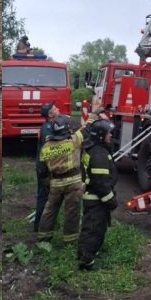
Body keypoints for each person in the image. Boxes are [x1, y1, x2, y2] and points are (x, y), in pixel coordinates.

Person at [37, 112, 96, 243]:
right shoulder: (73, 140)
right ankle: (70, 240)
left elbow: (42, 170)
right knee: (72, 212)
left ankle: (43, 237)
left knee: (50, 210)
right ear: (66, 128)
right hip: (73, 183)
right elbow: (86, 130)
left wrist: (48, 184)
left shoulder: (46, 147)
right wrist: (93, 116)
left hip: (55, 183)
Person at [78, 118, 118, 270]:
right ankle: (86, 260)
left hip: (94, 198)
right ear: (101, 135)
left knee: (95, 229)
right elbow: (101, 183)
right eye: (109, 133)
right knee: (93, 230)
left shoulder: (94, 148)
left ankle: (89, 253)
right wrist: (111, 201)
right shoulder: (99, 154)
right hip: (97, 200)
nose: (111, 136)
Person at [29, 103, 57, 231]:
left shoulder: (50, 126)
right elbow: (48, 151)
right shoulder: (47, 128)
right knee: (44, 197)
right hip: (44, 169)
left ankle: (43, 224)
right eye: (55, 108)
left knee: (46, 197)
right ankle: (39, 226)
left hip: (44, 168)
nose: (58, 109)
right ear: (50, 115)